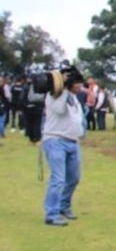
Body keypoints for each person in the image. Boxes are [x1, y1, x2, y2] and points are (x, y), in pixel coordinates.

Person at [41, 67, 86, 226]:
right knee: (58, 179)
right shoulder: (53, 96)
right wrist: (65, 89)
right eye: (77, 84)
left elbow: (78, 118)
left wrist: (81, 132)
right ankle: (51, 213)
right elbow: (59, 110)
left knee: (73, 178)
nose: (80, 87)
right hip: (55, 140)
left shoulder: (75, 98)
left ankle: (63, 206)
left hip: (72, 141)